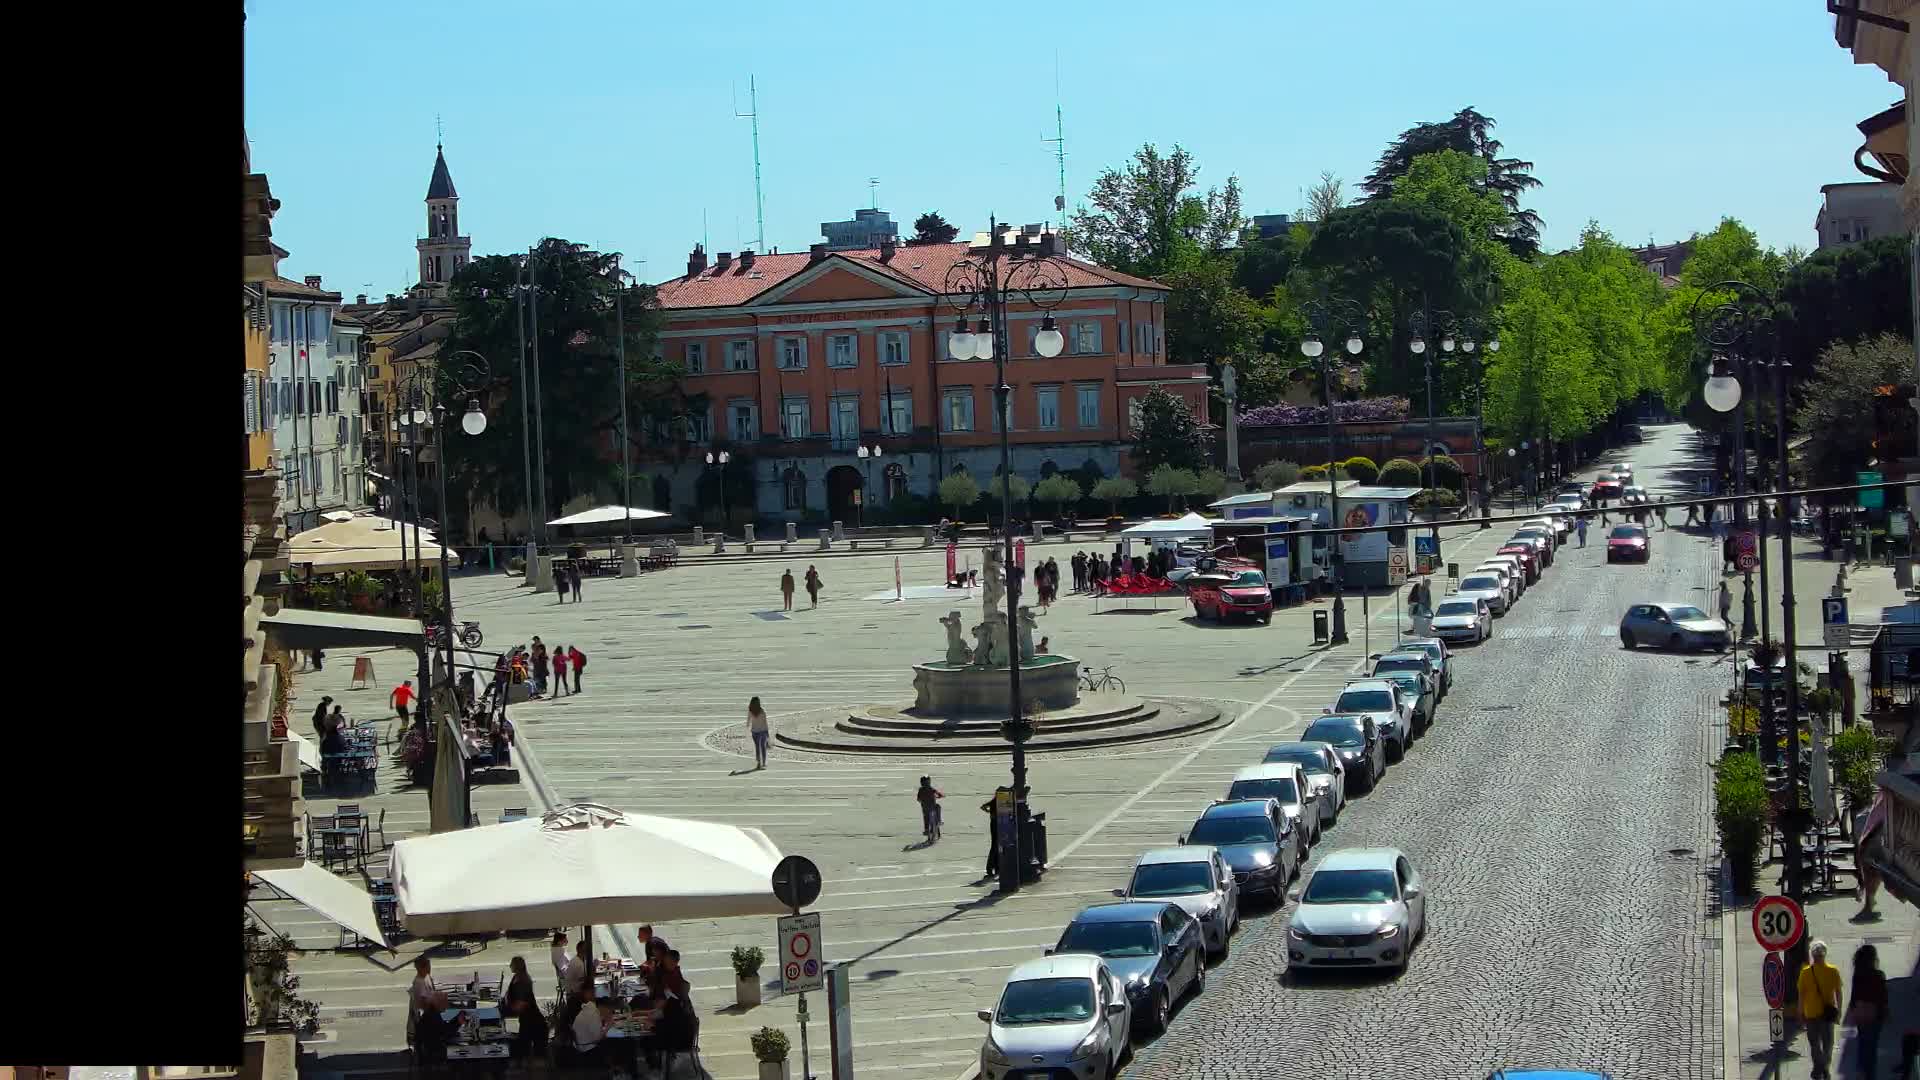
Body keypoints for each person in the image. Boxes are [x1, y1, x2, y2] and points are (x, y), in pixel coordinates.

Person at [1800, 938, 1844, 1079]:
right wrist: (1839, 1011)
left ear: (1812, 955)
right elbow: (1838, 992)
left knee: (1814, 1045)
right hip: (1828, 1014)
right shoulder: (1833, 971)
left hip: (1811, 1014)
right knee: (1828, 1044)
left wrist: (1800, 1012)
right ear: (1824, 954)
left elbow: (1801, 995)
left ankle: (1818, 1068)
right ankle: (1824, 1067)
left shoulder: (1805, 973)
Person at [1850, 943, 1889, 1080]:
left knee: (1862, 1044)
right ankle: (1869, 1075)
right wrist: (1885, 1013)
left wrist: (1853, 1011)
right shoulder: (1879, 975)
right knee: (1871, 1048)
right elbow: (1883, 998)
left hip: (1861, 1015)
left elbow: (1854, 996)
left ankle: (1860, 1072)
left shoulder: (1858, 975)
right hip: (1875, 1016)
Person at [504, 956, 549, 1059]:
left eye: (512, 964)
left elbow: (521, 1004)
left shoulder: (523, 981)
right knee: (523, 1046)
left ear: (517, 966)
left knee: (522, 1047)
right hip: (525, 1018)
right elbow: (508, 994)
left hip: (532, 1020)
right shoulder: (516, 977)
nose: (510, 966)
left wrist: (507, 1010)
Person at [917, 775, 944, 840]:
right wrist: (940, 796)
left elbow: (918, 799)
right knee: (938, 807)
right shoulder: (931, 789)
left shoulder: (920, 790)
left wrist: (922, 801)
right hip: (933, 807)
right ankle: (939, 821)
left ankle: (926, 829)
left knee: (925, 817)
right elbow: (939, 794)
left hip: (925, 808)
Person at [748, 696, 770, 769]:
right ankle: (763, 763)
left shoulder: (750, 711)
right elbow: (765, 723)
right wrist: (767, 734)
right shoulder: (762, 711)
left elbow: (748, 722)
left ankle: (759, 762)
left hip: (754, 732)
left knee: (757, 747)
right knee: (763, 747)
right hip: (763, 731)